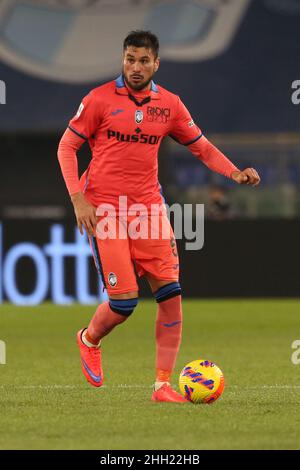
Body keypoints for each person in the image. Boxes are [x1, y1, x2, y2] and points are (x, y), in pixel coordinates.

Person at [57, 30, 260, 403]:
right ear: (123, 59)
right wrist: (78, 200)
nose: (136, 67)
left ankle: (162, 386)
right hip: (104, 209)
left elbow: (200, 147)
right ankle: (88, 338)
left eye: (144, 60)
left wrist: (233, 172)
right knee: (124, 304)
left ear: (156, 63)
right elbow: (67, 146)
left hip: (149, 209)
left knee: (171, 295)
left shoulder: (169, 104)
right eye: (130, 59)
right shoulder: (99, 99)